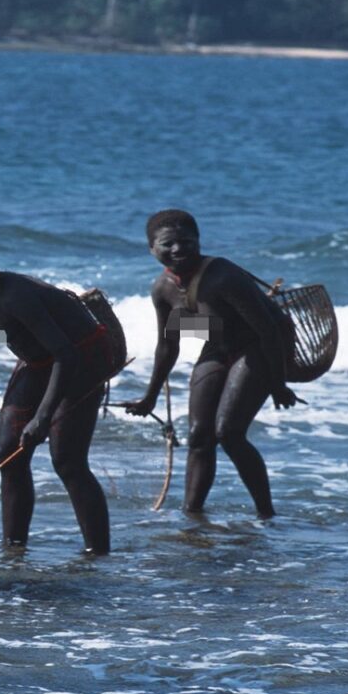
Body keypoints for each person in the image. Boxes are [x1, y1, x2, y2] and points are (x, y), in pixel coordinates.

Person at [0, 225, 117, 553]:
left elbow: (66, 354)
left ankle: (98, 554)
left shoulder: (13, 296)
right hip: (38, 362)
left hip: (79, 359)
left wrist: (43, 417)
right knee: (9, 454)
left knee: (67, 460)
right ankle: (14, 548)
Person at [125, 209, 297, 519]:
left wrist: (278, 384)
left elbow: (268, 332)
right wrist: (149, 396)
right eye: (167, 244)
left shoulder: (223, 278)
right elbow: (169, 344)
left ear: (199, 242)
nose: (178, 249)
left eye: (186, 242)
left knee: (228, 433)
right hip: (218, 344)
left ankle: (267, 515)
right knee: (199, 435)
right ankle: (192, 516)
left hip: (256, 347)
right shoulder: (162, 289)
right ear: (152, 249)